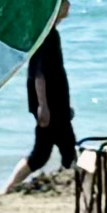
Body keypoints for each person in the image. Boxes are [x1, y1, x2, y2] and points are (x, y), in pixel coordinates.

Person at [14, 23, 82, 191]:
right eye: (65, 7)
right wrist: (43, 106)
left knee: (62, 149)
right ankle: (9, 187)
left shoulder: (49, 32)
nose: (67, 9)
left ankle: (75, 184)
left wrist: (64, 106)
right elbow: (39, 74)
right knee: (44, 154)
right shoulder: (46, 35)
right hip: (50, 106)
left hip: (56, 105)